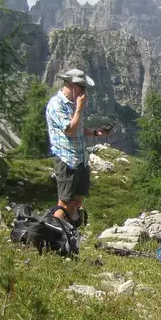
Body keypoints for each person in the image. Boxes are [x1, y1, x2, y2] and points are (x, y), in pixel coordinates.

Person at [45, 68, 110, 226]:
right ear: (72, 85)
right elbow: (70, 129)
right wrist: (79, 108)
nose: (84, 91)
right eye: (82, 87)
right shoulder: (56, 104)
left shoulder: (73, 105)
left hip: (81, 160)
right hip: (67, 160)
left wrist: (95, 132)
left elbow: (79, 130)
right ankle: (54, 233)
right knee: (65, 203)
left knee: (78, 200)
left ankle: (70, 234)